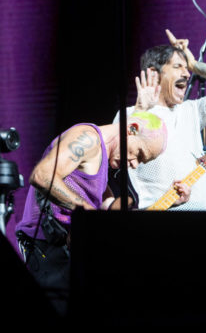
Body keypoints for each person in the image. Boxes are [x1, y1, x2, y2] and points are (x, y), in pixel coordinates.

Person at [15, 111, 185, 314]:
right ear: (132, 129)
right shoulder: (88, 138)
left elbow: (110, 215)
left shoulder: (103, 165)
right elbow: (43, 176)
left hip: (68, 252)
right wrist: (86, 214)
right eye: (139, 154)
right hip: (46, 248)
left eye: (142, 161)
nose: (134, 164)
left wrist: (168, 202)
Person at [116, 29, 206, 211]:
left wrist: (194, 64)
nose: (187, 74)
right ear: (154, 73)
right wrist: (140, 111)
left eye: (187, 69)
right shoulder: (132, 114)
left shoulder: (192, 111)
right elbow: (116, 159)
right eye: (178, 67)